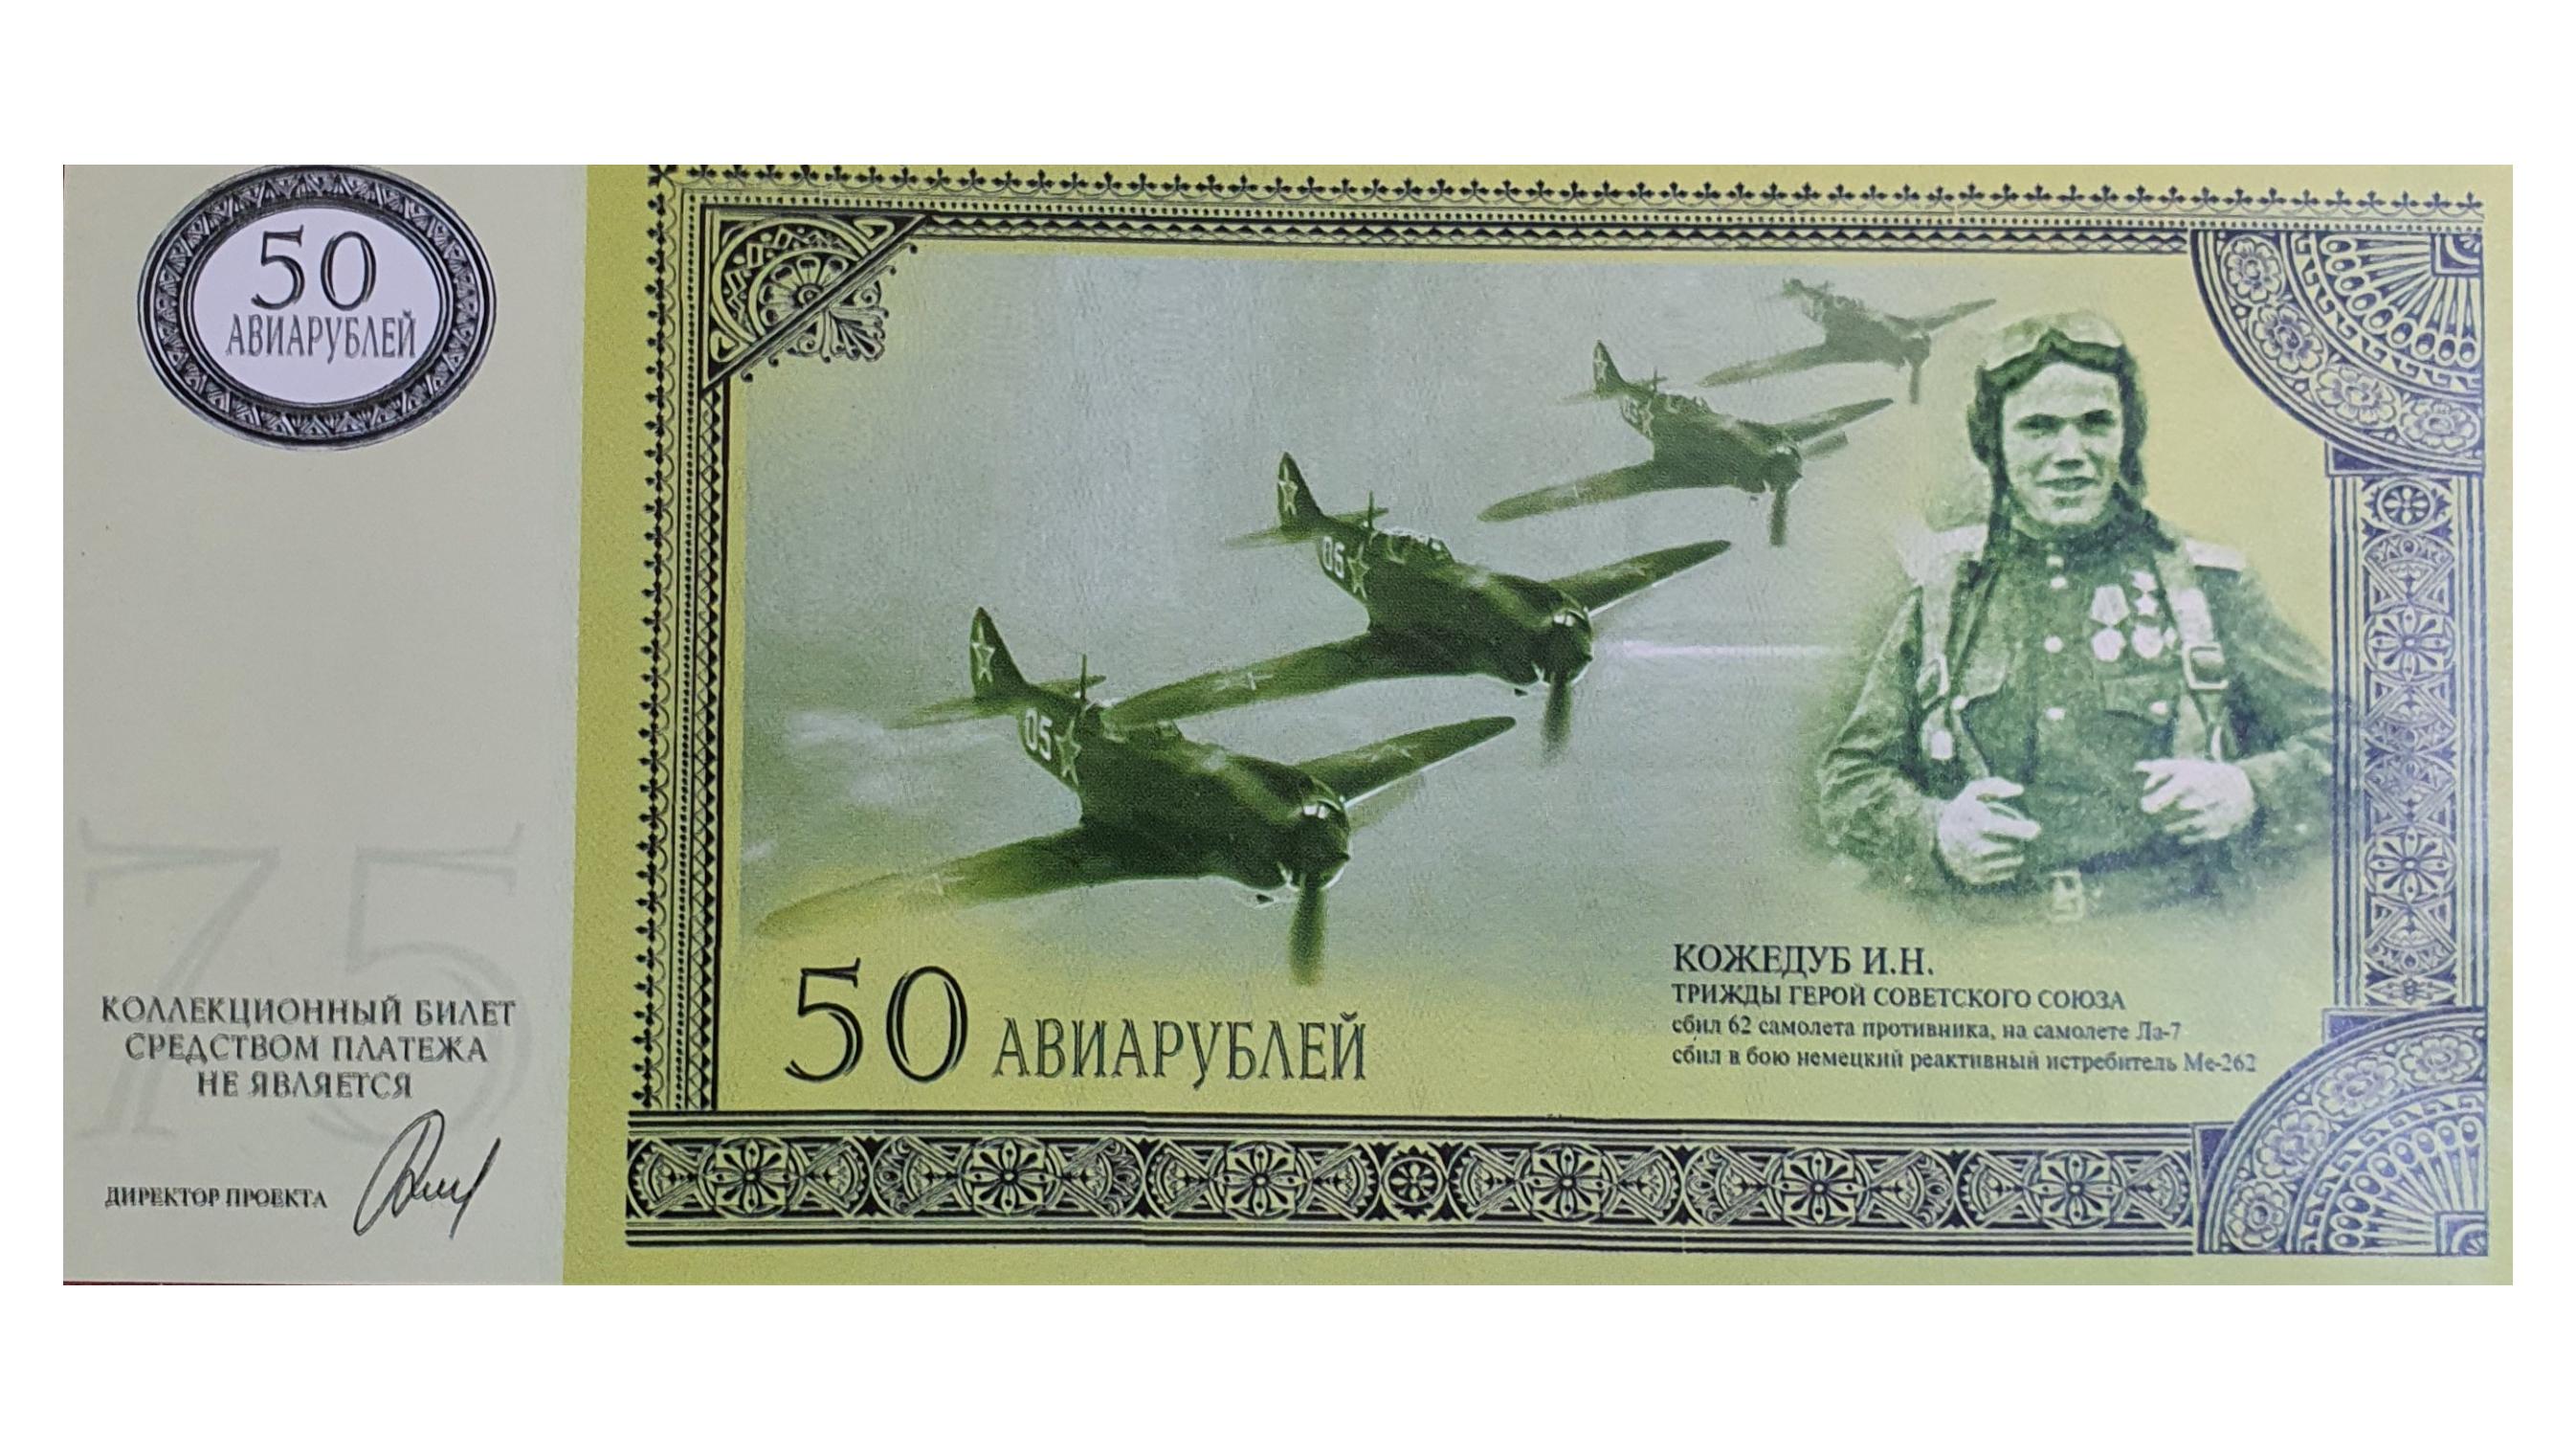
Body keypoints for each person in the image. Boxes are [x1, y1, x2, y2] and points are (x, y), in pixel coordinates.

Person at [1816, 312, 2334, 920]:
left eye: (2095, 424)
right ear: (1995, 446)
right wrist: (1934, 830)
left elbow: (2357, 745)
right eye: (2037, 428)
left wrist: (2248, 790)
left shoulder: (2209, 587)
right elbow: (1849, 781)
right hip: (1985, 941)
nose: (2070, 454)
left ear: (2125, 436)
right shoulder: (1947, 595)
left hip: (2171, 932)